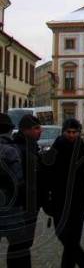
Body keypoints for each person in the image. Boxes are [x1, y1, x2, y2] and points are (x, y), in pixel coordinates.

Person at [44, 118, 84, 268]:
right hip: (60, 200)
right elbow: (47, 174)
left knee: (73, 238)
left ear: (78, 133)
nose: (71, 135)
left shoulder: (81, 147)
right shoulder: (56, 147)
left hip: (78, 201)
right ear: (63, 132)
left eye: (75, 132)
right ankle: (83, 258)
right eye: (68, 132)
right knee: (62, 234)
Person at [11, 115, 44, 267]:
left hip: (29, 204)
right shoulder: (21, 149)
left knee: (22, 246)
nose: (40, 131)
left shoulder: (30, 146)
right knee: (20, 246)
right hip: (23, 205)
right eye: (36, 128)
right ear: (25, 130)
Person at [0, 113, 25, 268]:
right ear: (10, 130)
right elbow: (18, 179)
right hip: (10, 205)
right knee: (16, 247)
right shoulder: (10, 151)